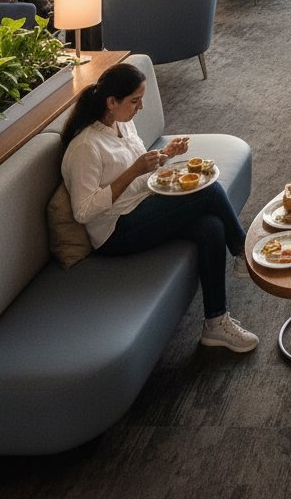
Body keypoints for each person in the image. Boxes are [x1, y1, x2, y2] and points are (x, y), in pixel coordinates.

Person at [60, 63, 258, 353]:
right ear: (111, 102)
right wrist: (134, 170)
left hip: (143, 204)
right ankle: (242, 252)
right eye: (134, 101)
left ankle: (216, 324)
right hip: (116, 230)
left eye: (141, 99)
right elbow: (83, 211)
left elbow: (141, 166)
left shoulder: (122, 122)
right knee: (209, 191)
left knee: (211, 227)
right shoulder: (85, 148)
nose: (140, 107)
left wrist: (165, 155)